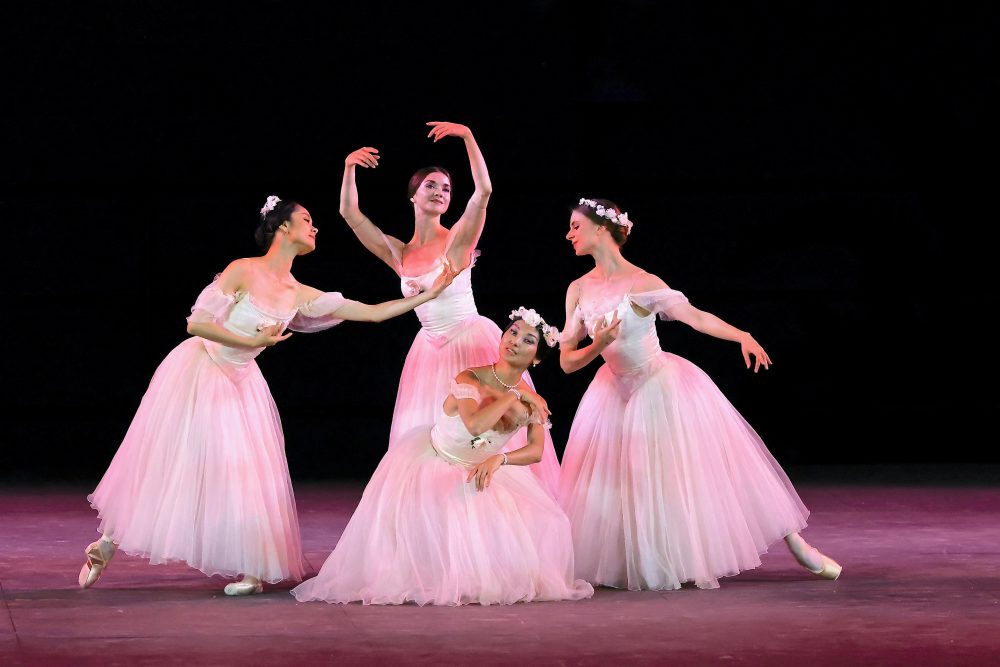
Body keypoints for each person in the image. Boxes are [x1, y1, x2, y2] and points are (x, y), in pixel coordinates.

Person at [80, 195, 457, 596]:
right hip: (201, 369)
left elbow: (372, 312)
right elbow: (197, 323)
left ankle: (253, 569)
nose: (314, 227)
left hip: (240, 381)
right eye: (306, 220)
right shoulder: (243, 270)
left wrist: (428, 295)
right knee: (168, 460)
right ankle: (108, 542)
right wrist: (251, 340)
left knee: (244, 473)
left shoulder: (297, 292)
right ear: (283, 227)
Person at [558, 197, 841, 590]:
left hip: (658, 386)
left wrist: (741, 335)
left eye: (576, 226)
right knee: (622, 481)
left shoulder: (643, 283)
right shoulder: (578, 289)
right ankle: (642, 559)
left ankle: (797, 543)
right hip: (612, 389)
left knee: (719, 466)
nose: (569, 234)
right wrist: (598, 344)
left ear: (602, 229)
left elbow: (695, 317)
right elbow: (567, 362)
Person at [291, 308, 593, 606]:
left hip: (477, 468)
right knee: (428, 542)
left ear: (537, 358)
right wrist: (514, 395)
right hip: (434, 461)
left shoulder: (533, 401)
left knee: (544, 526)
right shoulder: (471, 378)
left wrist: (500, 459)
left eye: (528, 340)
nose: (515, 341)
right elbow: (475, 426)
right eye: (512, 333)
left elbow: (536, 451)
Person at [338, 122, 560, 496]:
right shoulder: (400, 253)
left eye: (446, 188)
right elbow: (350, 213)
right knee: (426, 437)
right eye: (431, 185)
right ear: (413, 196)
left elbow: (484, 192)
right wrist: (349, 167)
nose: (440, 192)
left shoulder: (456, 240)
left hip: (470, 342)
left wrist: (468, 137)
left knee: (482, 433)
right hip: (428, 351)